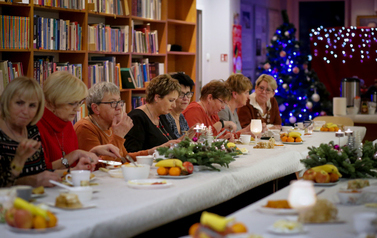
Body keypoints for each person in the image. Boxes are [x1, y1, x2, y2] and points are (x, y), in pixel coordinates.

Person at [37, 71, 121, 171]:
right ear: (53, 102)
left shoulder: (66, 123)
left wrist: (93, 153)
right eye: (72, 103)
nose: (77, 109)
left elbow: (73, 165)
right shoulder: (36, 127)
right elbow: (41, 172)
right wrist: (75, 155)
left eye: (79, 103)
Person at [74, 82, 156, 162]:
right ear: (96, 108)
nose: (119, 107)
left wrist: (150, 152)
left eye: (119, 102)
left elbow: (123, 158)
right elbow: (101, 166)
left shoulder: (110, 125)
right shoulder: (84, 128)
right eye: (113, 103)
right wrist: (118, 135)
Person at [124, 74, 181, 152]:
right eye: (171, 100)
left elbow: (173, 142)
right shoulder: (137, 118)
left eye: (175, 101)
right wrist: (162, 147)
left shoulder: (162, 115)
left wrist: (191, 133)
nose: (174, 105)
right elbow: (132, 153)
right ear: (157, 98)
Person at [162, 73, 195, 138]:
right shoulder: (164, 117)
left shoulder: (181, 117)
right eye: (181, 94)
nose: (186, 98)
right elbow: (170, 144)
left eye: (188, 94)